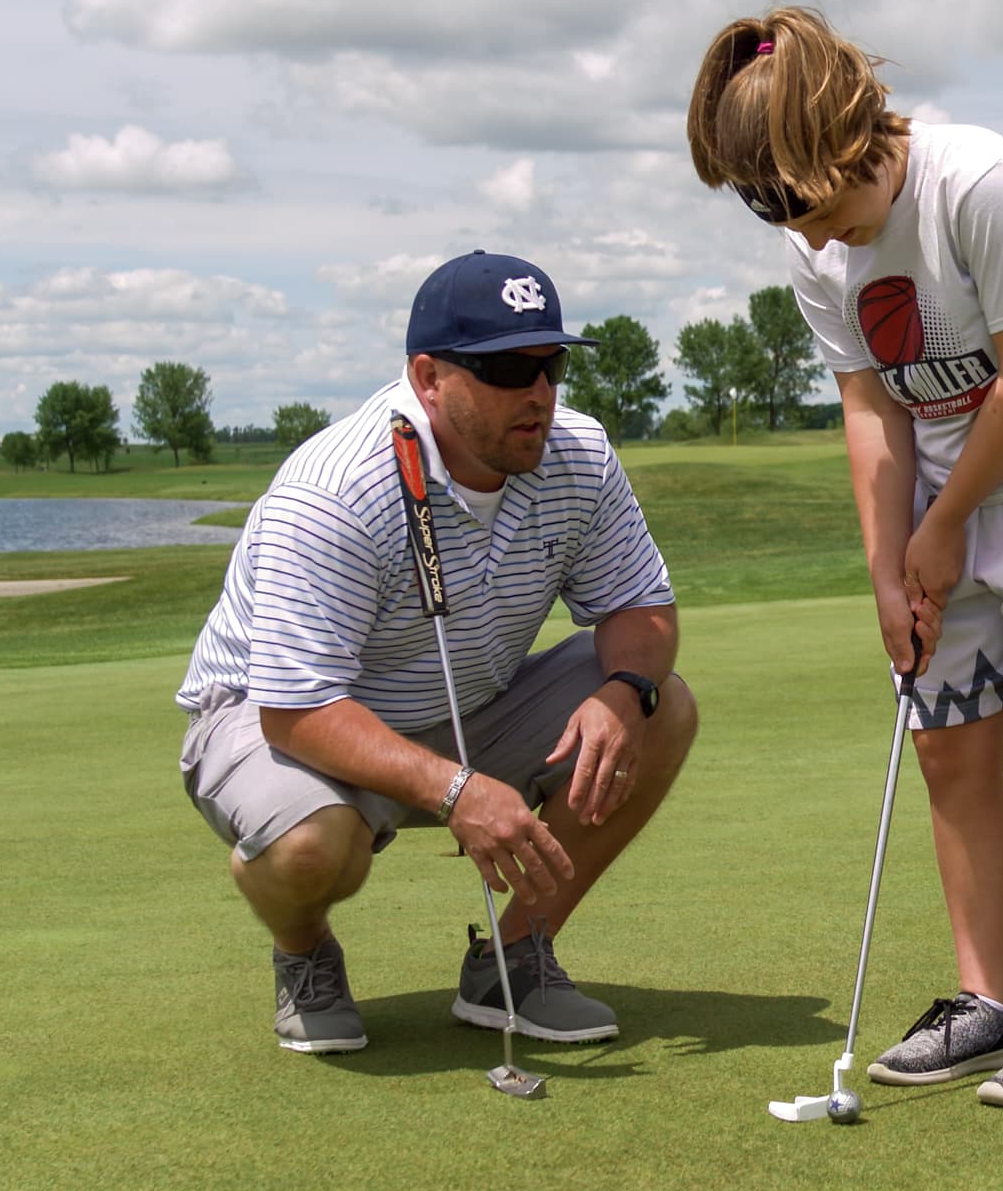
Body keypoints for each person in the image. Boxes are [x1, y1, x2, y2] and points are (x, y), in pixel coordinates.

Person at [688, 6, 1003, 1107]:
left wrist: (940, 535)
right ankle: (986, 1001)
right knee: (949, 750)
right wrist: (888, 569)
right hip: (943, 492)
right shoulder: (817, 249)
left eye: (822, 208)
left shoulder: (986, 187)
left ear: (851, 137)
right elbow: (870, 411)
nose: (820, 242)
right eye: (786, 221)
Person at [176, 250, 698, 1055]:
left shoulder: (578, 455)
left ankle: (511, 964)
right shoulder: (336, 490)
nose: (539, 393)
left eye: (552, 365)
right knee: (312, 846)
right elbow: (295, 708)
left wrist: (624, 689)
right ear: (428, 377)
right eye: (506, 369)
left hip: (467, 708)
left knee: (662, 710)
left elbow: (642, 608)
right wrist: (457, 792)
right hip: (278, 723)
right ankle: (302, 948)